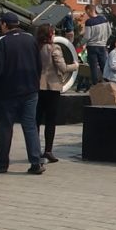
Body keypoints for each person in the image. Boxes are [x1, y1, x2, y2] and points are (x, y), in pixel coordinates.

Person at [0, 12, 44, 175]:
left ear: (4, 25)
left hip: (8, 94)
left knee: (6, 128)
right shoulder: (30, 39)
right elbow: (38, 64)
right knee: (30, 126)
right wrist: (34, 84)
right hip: (30, 91)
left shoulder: (1, 42)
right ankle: (36, 162)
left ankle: (1, 163)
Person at [36, 24, 79, 163]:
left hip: (37, 86)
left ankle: (34, 149)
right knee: (50, 120)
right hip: (52, 87)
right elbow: (63, 67)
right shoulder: (55, 48)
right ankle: (48, 151)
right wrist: (75, 66)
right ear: (49, 35)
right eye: (53, 33)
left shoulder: (35, 47)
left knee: (36, 120)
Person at [83, 4, 112, 86]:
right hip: (102, 46)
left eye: (86, 12)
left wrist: (81, 43)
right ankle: (108, 83)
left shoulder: (89, 22)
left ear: (89, 10)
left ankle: (95, 84)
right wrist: (104, 40)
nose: (86, 14)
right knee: (104, 66)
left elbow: (87, 37)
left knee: (94, 67)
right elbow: (109, 32)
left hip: (92, 47)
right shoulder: (104, 19)